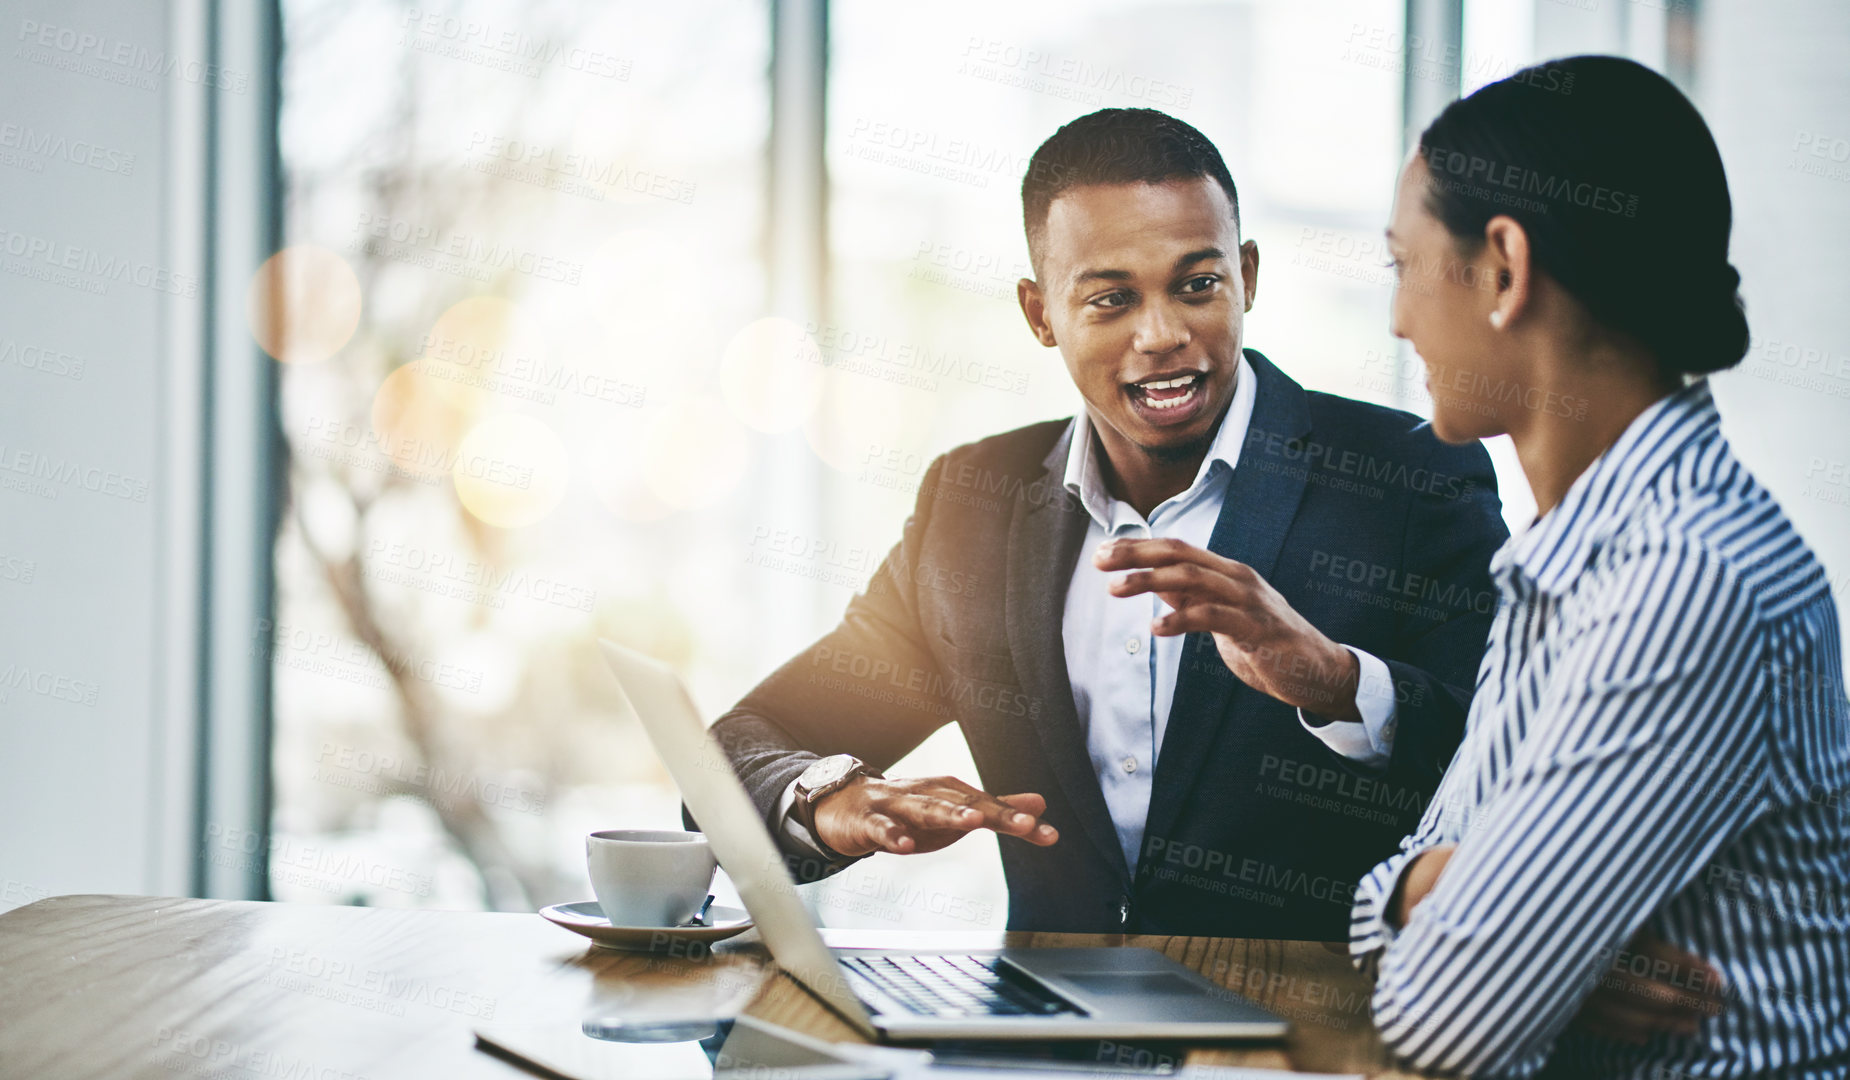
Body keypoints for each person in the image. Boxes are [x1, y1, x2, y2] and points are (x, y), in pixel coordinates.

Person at [700, 109, 1507, 940]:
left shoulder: (1410, 478)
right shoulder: (970, 505)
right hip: (1045, 1043)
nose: (1162, 335)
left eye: (1198, 285)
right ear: (1040, 314)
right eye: (1111, 299)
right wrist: (828, 798)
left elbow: (1521, 768)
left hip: (1312, 1040)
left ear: (1248, 277)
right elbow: (738, 749)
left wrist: (1339, 684)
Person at [1351, 55, 1850, 1076]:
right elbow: (1378, 907)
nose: (1396, 319)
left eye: (1402, 266)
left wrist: (1494, 929)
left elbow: (1444, 1019)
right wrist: (1433, 896)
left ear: (1502, 267)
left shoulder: (1679, 581)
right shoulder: (1573, 554)